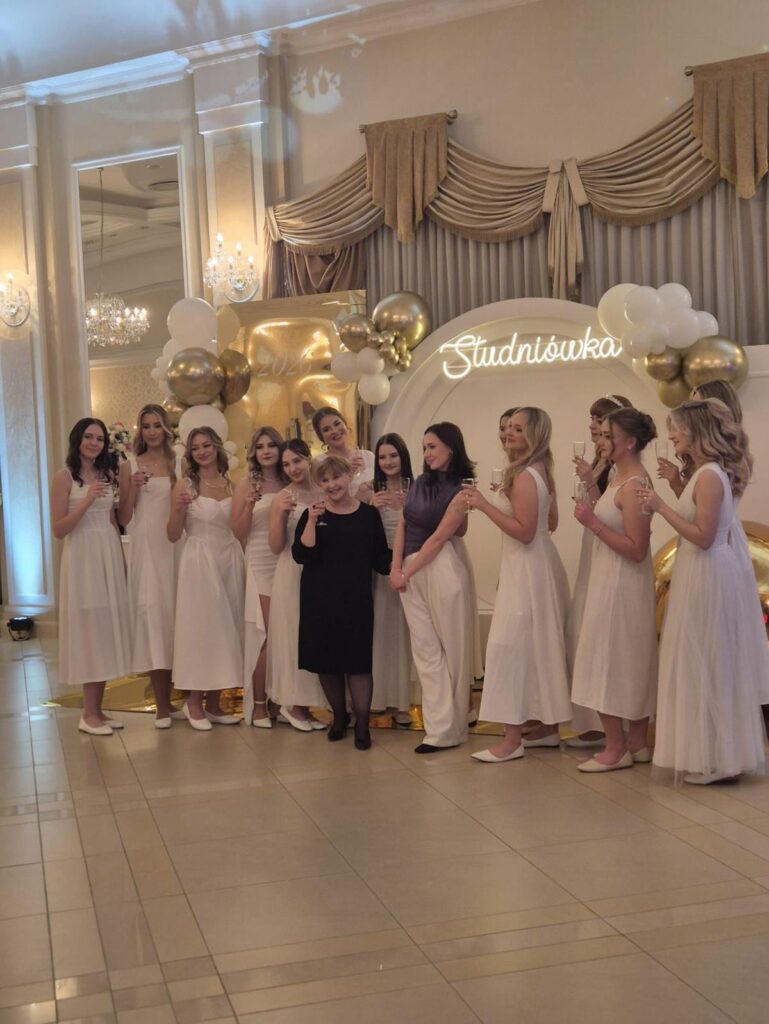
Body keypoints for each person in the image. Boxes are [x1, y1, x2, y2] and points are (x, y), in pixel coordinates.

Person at [639, 399, 768, 783]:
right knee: (702, 664)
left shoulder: (710, 475)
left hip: (709, 575)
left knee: (710, 663)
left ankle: (722, 760)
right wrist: (674, 490)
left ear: (696, 432)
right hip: (699, 572)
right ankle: (711, 754)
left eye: (676, 428)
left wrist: (660, 506)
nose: (671, 435)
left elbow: (705, 537)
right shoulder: (703, 474)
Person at [465, 408, 571, 763]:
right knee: (537, 646)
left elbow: (525, 533)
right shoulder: (540, 470)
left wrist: (485, 505)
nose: (508, 433)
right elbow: (550, 522)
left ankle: (511, 740)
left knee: (508, 648)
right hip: (536, 565)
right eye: (507, 427)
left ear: (534, 435)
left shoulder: (525, 475)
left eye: (517, 429)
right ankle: (547, 729)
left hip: (526, 568)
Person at [571, 408, 658, 771]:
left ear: (631, 442)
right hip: (613, 580)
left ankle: (616, 747)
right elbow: (612, 515)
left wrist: (592, 524)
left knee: (611, 660)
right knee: (626, 658)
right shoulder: (621, 478)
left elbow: (636, 548)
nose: (602, 441)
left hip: (621, 585)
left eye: (609, 436)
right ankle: (636, 743)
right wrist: (591, 488)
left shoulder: (635, 484)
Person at [293, 455, 391, 749]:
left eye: (336, 477)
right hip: (319, 601)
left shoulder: (368, 515)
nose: (331, 484)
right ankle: (339, 716)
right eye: (324, 480)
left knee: (358, 664)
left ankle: (362, 724)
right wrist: (312, 521)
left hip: (356, 600)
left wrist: (408, 560)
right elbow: (301, 555)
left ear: (349, 476)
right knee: (327, 664)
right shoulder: (313, 513)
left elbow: (380, 558)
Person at [390, 422, 475, 753]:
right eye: (424, 447)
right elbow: (403, 525)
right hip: (410, 570)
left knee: (453, 652)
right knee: (425, 650)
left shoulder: (462, 489)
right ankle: (439, 729)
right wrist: (396, 568)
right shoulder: (419, 483)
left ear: (451, 447)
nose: (426, 453)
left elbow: (440, 538)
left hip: (441, 568)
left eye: (433, 446)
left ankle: (452, 728)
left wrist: (406, 573)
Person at [51, 418, 131, 735]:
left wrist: (121, 562)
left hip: (106, 552)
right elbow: (59, 529)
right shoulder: (63, 478)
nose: (94, 443)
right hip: (82, 557)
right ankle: (88, 714)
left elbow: (113, 521)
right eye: (89, 437)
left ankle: (97, 710)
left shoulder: (106, 474)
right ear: (77, 439)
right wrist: (86, 499)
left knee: (105, 630)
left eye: (99, 439)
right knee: (90, 632)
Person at [167, 428, 246, 730]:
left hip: (229, 557)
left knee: (228, 628)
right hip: (199, 560)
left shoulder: (231, 485)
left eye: (207, 445)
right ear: (190, 453)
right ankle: (193, 702)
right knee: (203, 629)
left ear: (217, 447)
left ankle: (214, 703)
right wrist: (178, 508)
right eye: (195, 447)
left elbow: (239, 529)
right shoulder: (185, 485)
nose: (202, 451)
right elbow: (172, 534)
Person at [566, 393, 633, 746]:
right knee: (582, 630)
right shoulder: (599, 461)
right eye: (592, 419)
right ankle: (593, 721)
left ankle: (608, 726)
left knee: (597, 631)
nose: (594, 426)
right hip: (591, 544)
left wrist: (589, 483)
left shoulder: (620, 469)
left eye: (600, 420)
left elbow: (608, 511)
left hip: (607, 543)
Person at [118, 404, 179, 728]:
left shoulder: (178, 461)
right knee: (155, 619)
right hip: (148, 549)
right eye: (147, 426)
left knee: (178, 618)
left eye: (157, 425)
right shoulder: (129, 464)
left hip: (177, 546)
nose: (152, 431)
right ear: (140, 430)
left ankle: (186, 697)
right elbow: (124, 516)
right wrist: (133, 488)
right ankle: (162, 706)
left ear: (166, 428)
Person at [266, 439, 327, 730]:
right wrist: (280, 514)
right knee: (293, 635)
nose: (293, 468)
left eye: (297, 461)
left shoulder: (324, 489)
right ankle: (291, 703)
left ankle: (307, 704)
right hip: (292, 569)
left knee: (316, 636)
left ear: (309, 459)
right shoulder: (282, 496)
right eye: (286, 464)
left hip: (320, 570)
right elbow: (275, 545)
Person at [357, 433, 415, 726]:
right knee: (381, 632)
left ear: (403, 456)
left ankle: (403, 702)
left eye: (393, 455)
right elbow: (356, 527)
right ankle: (379, 698)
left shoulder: (416, 488)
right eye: (382, 457)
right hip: (379, 568)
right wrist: (370, 507)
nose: (388, 461)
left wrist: (412, 508)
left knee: (406, 634)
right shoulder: (368, 489)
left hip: (409, 565)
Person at [232, 426, 283, 728]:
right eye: (260, 446)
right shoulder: (246, 484)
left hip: (287, 562)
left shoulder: (291, 480)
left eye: (271, 445)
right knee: (266, 635)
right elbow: (238, 532)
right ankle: (260, 705)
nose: (266, 451)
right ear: (254, 452)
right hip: (261, 563)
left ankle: (282, 700)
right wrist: (250, 504)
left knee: (286, 636)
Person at [657, 381, 743, 498]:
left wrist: (659, 505)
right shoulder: (696, 456)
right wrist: (676, 484)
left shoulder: (722, 464)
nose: (690, 414)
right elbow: (690, 505)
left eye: (697, 406)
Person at [311, 406, 374, 492]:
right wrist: (345, 471)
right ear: (321, 437)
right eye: (326, 430)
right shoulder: (319, 463)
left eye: (337, 424)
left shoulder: (368, 456)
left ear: (345, 424)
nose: (334, 431)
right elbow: (322, 496)